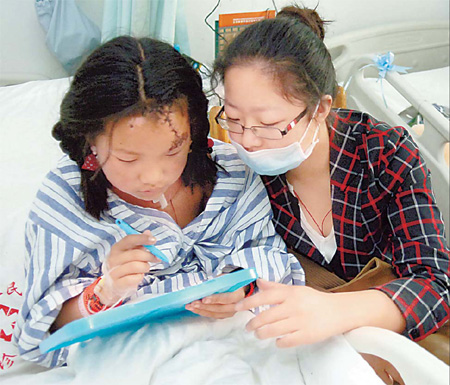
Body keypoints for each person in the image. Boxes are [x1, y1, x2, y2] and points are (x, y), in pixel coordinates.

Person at [13, 36, 305, 368]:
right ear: (89, 142)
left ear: (194, 131)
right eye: (127, 158)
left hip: (235, 340)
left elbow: (268, 254)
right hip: (127, 357)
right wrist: (103, 292)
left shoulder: (231, 172)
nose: (153, 177)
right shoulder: (65, 196)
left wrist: (242, 288)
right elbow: (41, 334)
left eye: (172, 150)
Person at [212, 5, 449, 353]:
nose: (247, 139)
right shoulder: (242, 168)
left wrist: (333, 310)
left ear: (320, 109)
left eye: (267, 124)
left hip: (385, 329)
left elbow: (435, 285)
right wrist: (233, 285)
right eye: (233, 119)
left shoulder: (384, 154)